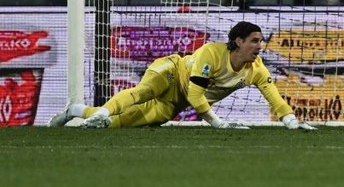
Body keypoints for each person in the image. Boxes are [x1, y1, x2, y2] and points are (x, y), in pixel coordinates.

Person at [49, 21, 316, 130]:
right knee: (144, 92)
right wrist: (218, 124)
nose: (260, 46)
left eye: (261, 41)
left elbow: (275, 98)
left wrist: (292, 122)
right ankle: (102, 112)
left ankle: (76, 110)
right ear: (238, 41)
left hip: (176, 102)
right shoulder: (212, 53)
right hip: (171, 71)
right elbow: (196, 94)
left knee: (117, 124)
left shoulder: (256, 70)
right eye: (255, 40)